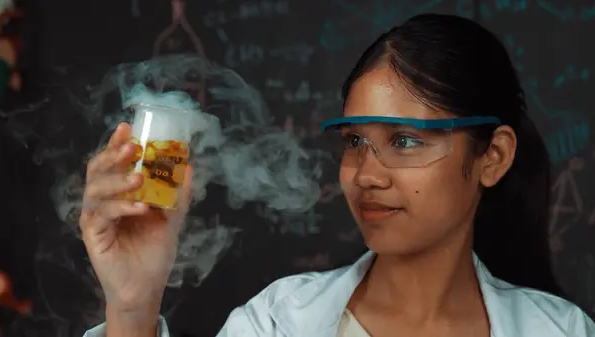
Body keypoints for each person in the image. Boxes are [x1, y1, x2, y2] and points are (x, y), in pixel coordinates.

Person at [82, 14, 595, 337]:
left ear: (494, 157)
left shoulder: (563, 330)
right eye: (354, 142)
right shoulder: (277, 323)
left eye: (406, 140)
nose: (366, 175)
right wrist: (133, 305)